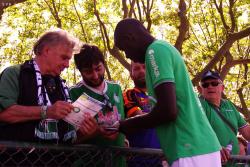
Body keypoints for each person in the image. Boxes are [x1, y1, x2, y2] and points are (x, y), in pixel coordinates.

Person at [113, 18, 221, 167]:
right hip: (199, 148)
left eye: (124, 48)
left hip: (189, 149)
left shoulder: (155, 51)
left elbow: (168, 111)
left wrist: (123, 126)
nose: (126, 55)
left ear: (130, 38)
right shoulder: (164, 48)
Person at [0, 29, 79, 144]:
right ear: (47, 50)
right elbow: (4, 114)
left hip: (58, 160)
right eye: (64, 58)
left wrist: (89, 130)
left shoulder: (62, 85)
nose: (67, 65)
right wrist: (47, 111)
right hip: (19, 159)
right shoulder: (15, 73)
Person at [69, 44, 125, 166]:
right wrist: (96, 131)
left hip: (118, 162)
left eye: (98, 68)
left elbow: (122, 121)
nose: (95, 76)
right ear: (80, 70)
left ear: (104, 64)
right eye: (88, 72)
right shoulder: (73, 93)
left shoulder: (116, 88)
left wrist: (124, 138)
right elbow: (69, 139)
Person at [197, 70, 250, 164]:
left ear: (222, 87)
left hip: (235, 162)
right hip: (212, 162)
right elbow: (195, 132)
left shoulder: (229, 104)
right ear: (200, 89)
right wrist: (214, 146)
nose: (210, 86)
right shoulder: (198, 105)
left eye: (214, 83)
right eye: (205, 85)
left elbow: (247, 131)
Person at [123, 61, 162, 167]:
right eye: (136, 68)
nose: (141, 71)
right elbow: (139, 117)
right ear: (131, 75)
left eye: (144, 67)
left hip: (161, 159)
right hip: (138, 160)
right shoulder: (129, 93)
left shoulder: (159, 95)